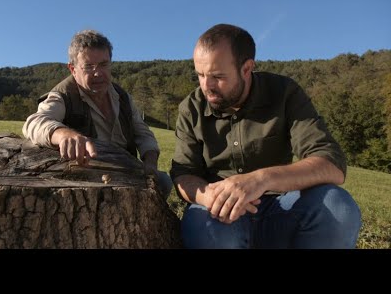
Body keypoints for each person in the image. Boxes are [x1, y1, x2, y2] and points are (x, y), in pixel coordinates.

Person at [170, 23, 362, 249]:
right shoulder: (191, 108)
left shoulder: (284, 92)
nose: (206, 86)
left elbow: (331, 163)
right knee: (204, 226)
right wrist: (210, 197)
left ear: (247, 68)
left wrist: (260, 180)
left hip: (282, 206)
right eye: (200, 75)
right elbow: (183, 174)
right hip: (220, 213)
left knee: (337, 207)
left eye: (217, 76)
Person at [23, 29, 173, 198]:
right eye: (88, 66)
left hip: (127, 169)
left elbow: (143, 133)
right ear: (73, 69)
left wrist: (150, 160)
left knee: (164, 182)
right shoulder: (64, 95)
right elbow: (35, 122)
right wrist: (63, 135)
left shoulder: (122, 97)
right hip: (88, 175)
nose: (98, 73)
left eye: (103, 64)